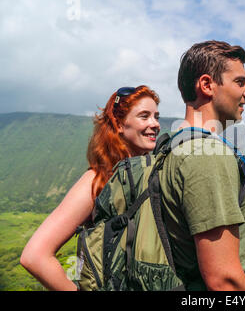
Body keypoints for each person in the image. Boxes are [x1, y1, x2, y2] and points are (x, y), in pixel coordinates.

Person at [160, 40, 245, 291]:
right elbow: (223, 282)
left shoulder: (170, 146)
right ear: (206, 85)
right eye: (239, 82)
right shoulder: (208, 155)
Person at [20, 85, 161, 291]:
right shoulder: (98, 180)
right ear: (120, 124)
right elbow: (35, 256)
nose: (155, 124)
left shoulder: (156, 172)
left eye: (156, 116)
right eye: (144, 116)